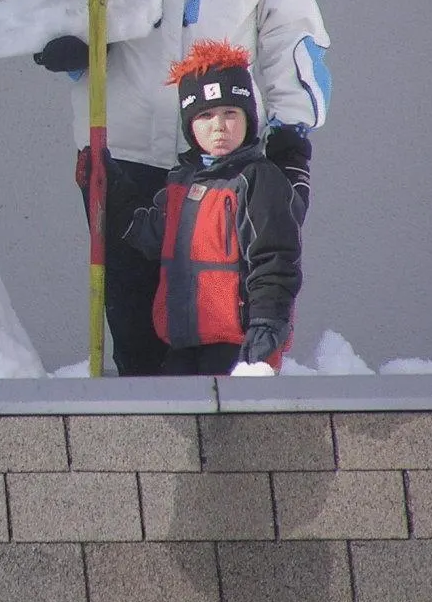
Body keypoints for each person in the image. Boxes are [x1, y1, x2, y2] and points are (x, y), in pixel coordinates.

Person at [34, 0, 329, 376]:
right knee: (138, 339)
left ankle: (219, 470)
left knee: (215, 339)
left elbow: (289, 36)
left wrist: (292, 139)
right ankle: (149, 465)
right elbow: (78, 30)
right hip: (128, 160)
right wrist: (76, 45)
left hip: (225, 165)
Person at [116, 40, 301, 375]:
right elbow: (150, 237)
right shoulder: (180, 183)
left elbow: (274, 257)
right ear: (190, 125)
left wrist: (268, 321)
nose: (219, 126)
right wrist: (111, 187)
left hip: (239, 344)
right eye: (205, 115)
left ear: (248, 119)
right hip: (183, 343)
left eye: (231, 113)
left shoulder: (257, 179)